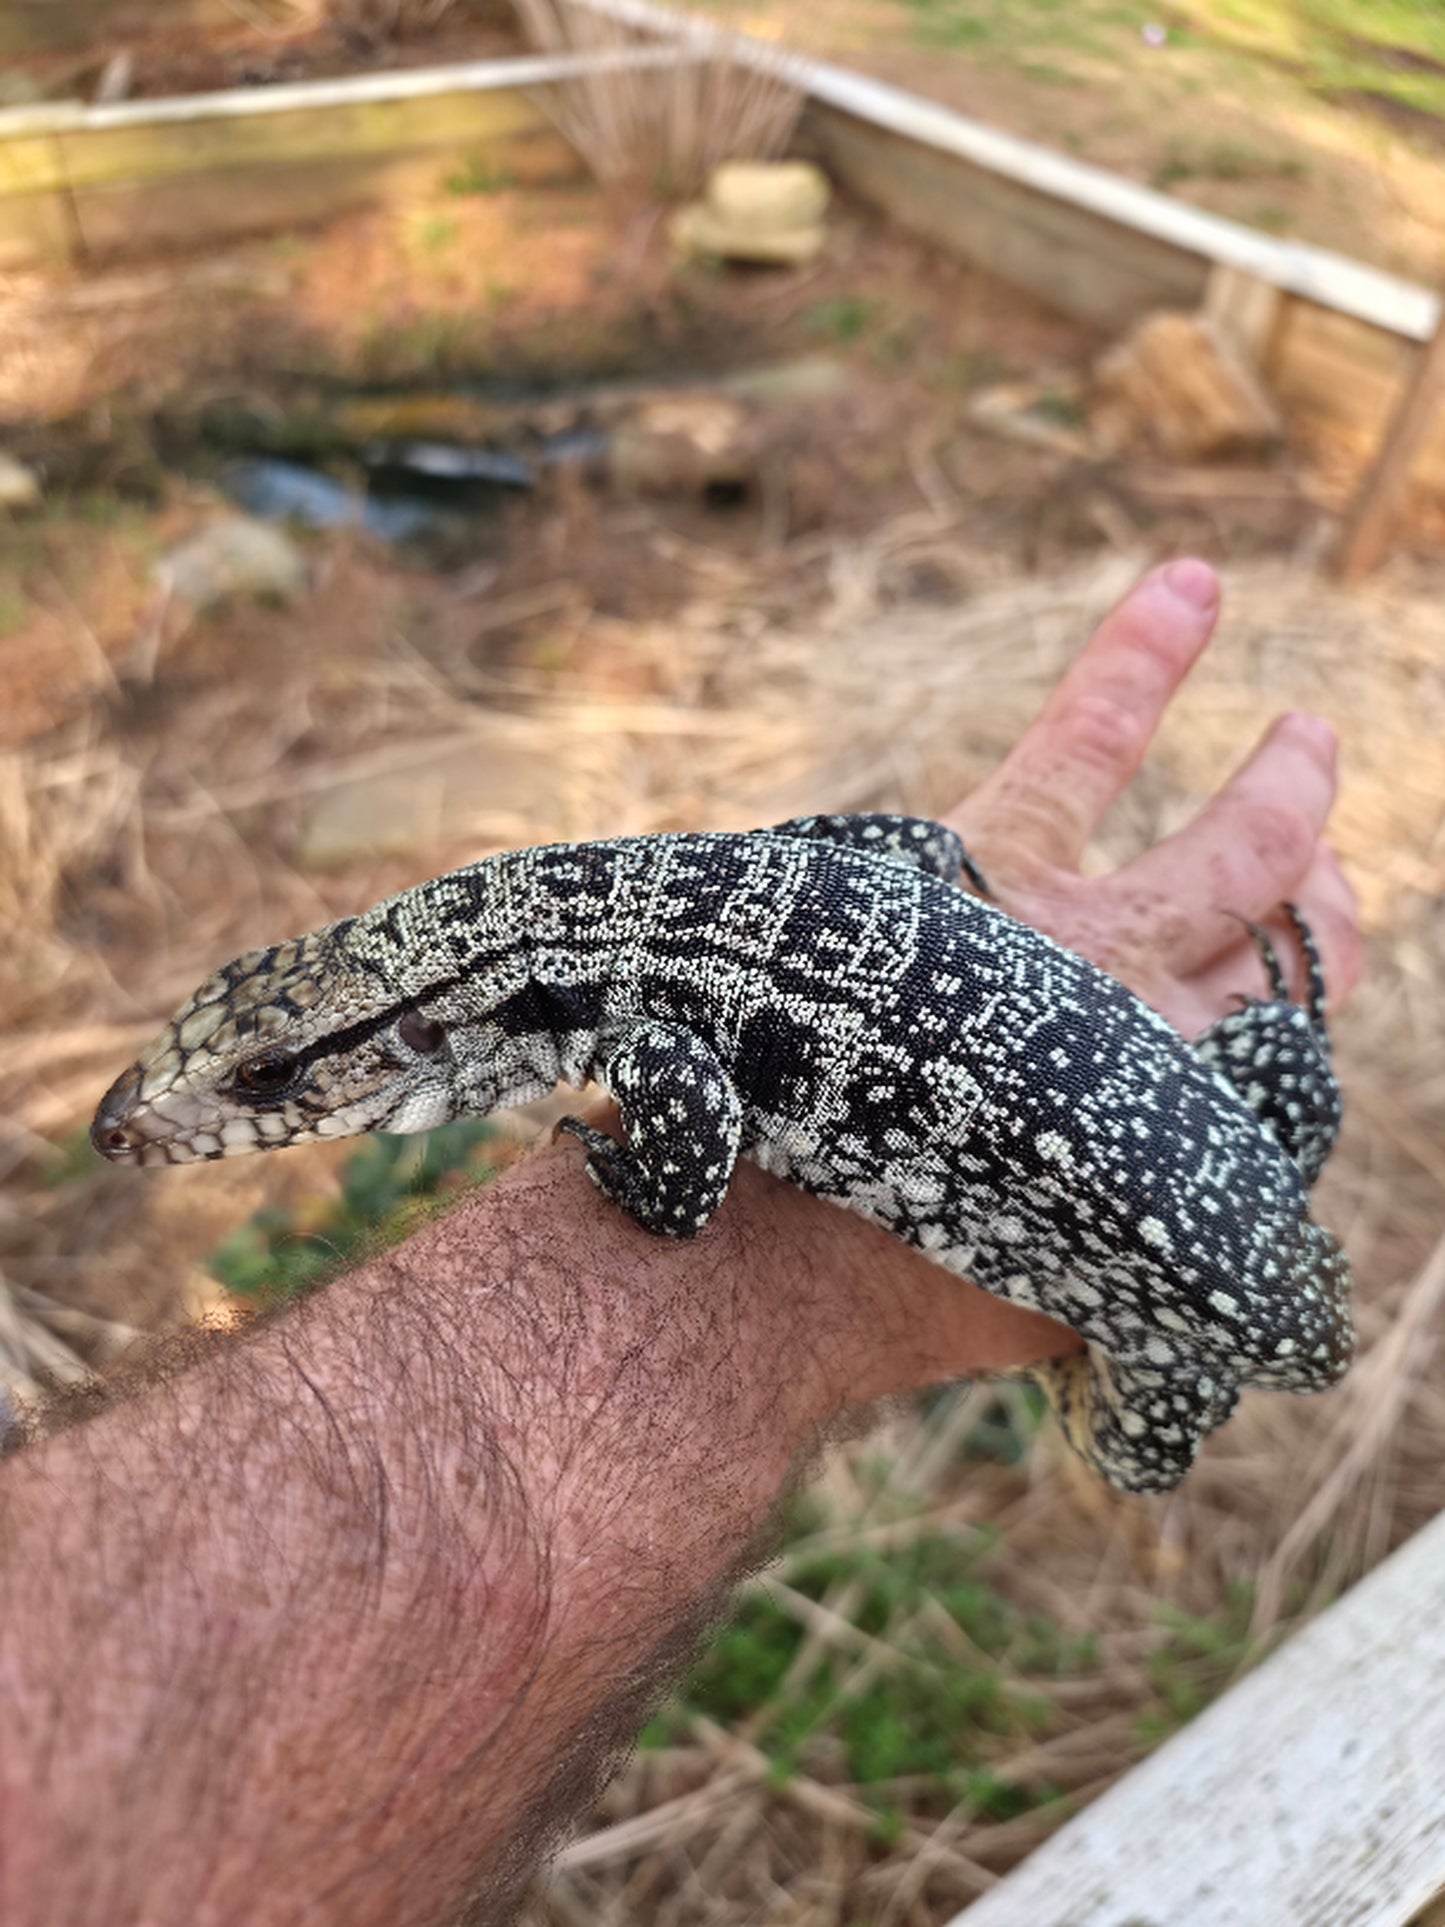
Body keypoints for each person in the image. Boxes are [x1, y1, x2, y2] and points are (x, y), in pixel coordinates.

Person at [0, 559, 1361, 1926]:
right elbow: (920, 853)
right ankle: (1277, 1075)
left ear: (417, 1027)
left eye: (264, 1083)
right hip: (1221, 1137)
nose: (160, 1122)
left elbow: (689, 1176)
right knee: (1261, 1086)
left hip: (1201, 1295)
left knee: (1127, 1450)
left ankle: (1138, 1338)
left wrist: (632, 1185)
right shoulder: (619, 894)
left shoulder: (628, 1017)